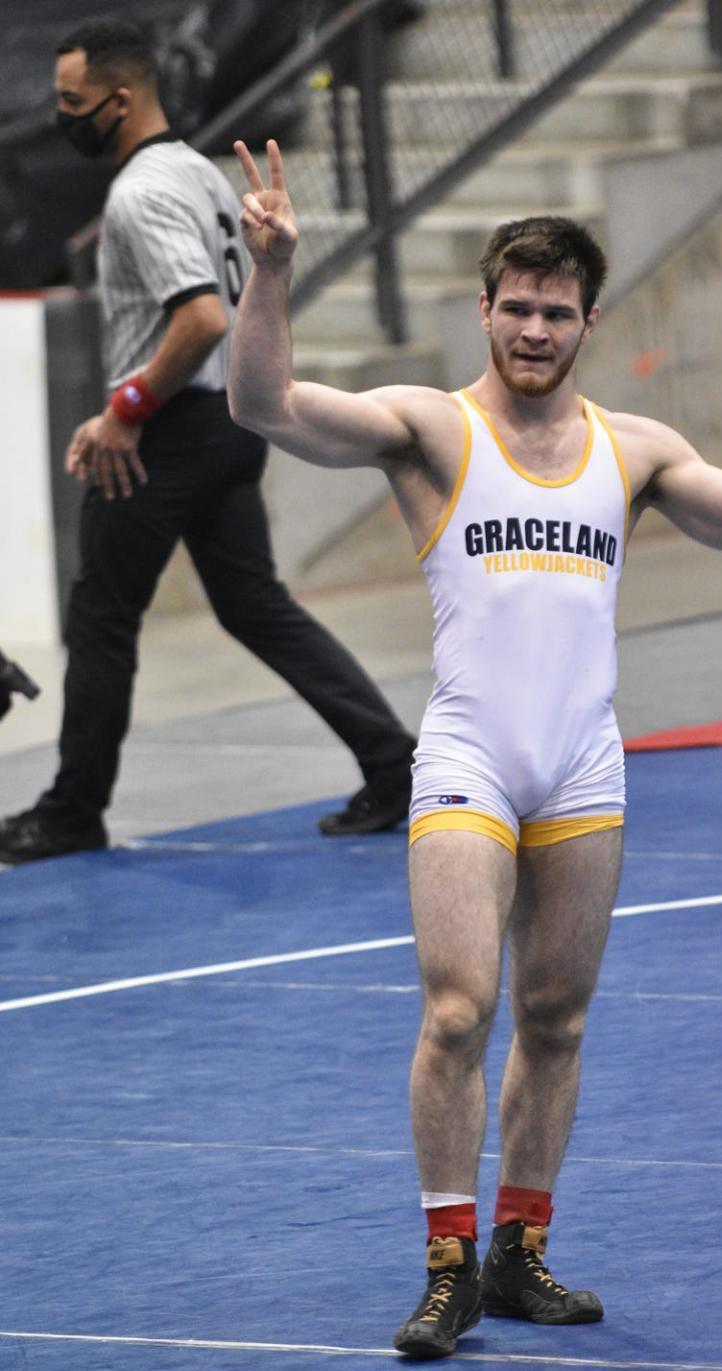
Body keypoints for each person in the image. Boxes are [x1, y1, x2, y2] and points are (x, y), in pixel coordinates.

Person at [228, 137, 722, 1360]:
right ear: (483, 309)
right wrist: (268, 274)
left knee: (557, 1018)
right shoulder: (428, 428)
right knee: (458, 1008)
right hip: (472, 756)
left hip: (584, 767)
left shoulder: (632, 448)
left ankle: (523, 1257)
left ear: (589, 322)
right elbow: (264, 406)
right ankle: (448, 1266)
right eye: (516, 308)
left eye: (557, 312)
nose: (534, 329)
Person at [0, 19, 416, 867]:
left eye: (72, 103)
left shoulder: (141, 193)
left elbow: (199, 318)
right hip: (228, 421)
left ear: (121, 100)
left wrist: (123, 408)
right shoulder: (197, 174)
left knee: (102, 619)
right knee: (254, 605)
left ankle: (73, 810)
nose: (61, 116)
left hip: (166, 431)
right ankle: (394, 762)